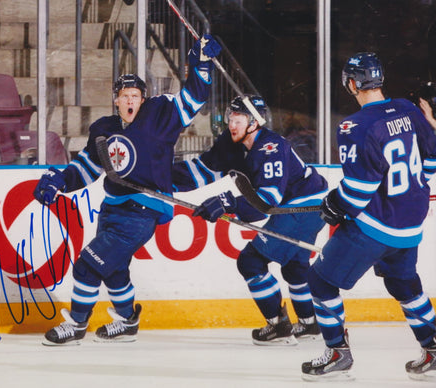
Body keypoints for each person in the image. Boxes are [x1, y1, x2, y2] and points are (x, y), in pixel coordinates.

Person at [33, 34, 221, 345]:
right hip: (112, 207)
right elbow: (87, 169)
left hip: (144, 209)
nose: (131, 100)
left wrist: (198, 62)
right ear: (116, 99)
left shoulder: (160, 115)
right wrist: (59, 182)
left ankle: (77, 324)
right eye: (125, 95)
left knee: (87, 265)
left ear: (143, 99)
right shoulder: (103, 129)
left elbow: (194, 97)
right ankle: (127, 321)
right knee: (114, 268)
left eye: (136, 95)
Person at [301, 52, 436, 381]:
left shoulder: (354, 126)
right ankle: (434, 349)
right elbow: (431, 161)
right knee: (405, 284)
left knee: (320, 282)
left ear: (351, 84)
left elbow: (359, 189)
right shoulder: (407, 108)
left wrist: (336, 204)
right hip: (410, 223)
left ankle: (336, 353)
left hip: (375, 227)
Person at [173, 95, 328, 345]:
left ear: (254, 123)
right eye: (230, 118)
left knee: (251, 262)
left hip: (302, 208)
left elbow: (266, 202)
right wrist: (158, 178)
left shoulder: (271, 148)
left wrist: (228, 202)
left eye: (239, 119)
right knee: (294, 266)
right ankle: (309, 324)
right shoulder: (231, 143)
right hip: (300, 205)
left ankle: (278, 325)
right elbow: (201, 171)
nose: (232, 124)